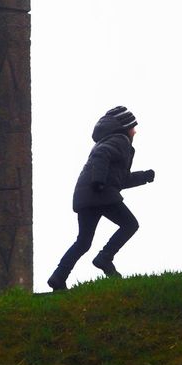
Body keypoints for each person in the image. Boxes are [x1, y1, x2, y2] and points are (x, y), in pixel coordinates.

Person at [47, 105, 155, 291]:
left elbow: (119, 180)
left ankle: (58, 277)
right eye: (133, 127)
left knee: (83, 241)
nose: (135, 131)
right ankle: (104, 258)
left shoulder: (110, 141)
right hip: (100, 194)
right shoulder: (120, 140)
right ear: (125, 127)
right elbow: (101, 157)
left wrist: (144, 177)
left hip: (88, 195)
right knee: (130, 224)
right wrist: (98, 182)